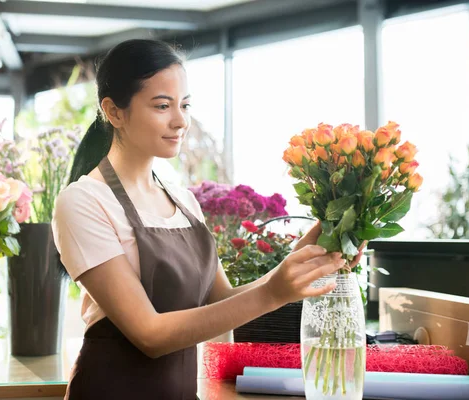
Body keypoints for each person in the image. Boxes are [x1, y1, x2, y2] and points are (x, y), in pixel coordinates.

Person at [51, 39, 361, 400]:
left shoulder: (182, 200)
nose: (181, 120)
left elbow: (221, 303)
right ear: (114, 111)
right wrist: (273, 291)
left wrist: (308, 253)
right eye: (162, 106)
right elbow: (149, 335)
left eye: (184, 105)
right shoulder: (84, 201)